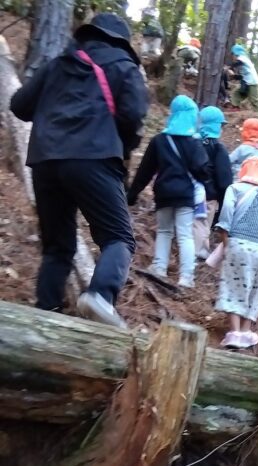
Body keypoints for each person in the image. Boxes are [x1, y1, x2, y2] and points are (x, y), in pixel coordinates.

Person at [10, 12, 149, 328]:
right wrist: (123, 148)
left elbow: (19, 105)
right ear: (121, 42)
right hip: (94, 157)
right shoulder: (125, 67)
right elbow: (133, 115)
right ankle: (100, 295)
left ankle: (46, 317)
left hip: (45, 161)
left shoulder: (58, 64)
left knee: (57, 247)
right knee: (119, 238)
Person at [126, 95, 210, 289]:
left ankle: (159, 267)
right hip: (185, 195)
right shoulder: (193, 142)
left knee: (164, 231)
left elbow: (145, 171)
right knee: (185, 235)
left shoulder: (159, 140)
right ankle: (186, 277)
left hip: (163, 193)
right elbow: (202, 171)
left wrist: (132, 194)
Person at [215, 156, 258, 349]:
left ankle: (234, 332)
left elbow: (226, 214)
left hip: (238, 244)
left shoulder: (234, 189)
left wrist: (225, 240)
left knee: (234, 286)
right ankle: (246, 331)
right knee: (255, 290)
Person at [194, 106, 233, 262]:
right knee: (203, 225)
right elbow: (225, 179)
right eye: (220, 125)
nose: (221, 129)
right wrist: (224, 200)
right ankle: (198, 255)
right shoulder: (218, 148)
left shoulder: (191, 142)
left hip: (187, 192)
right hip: (209, 196)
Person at [229, 44, 258, 113]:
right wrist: (234, 76)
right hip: (247, 83)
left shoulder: (242, 58)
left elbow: (238, 63)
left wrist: (230, 68)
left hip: (252, 83)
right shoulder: (244, 61)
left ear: (236, 53)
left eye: (233, 54)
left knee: (255, 100)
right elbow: (243, 75)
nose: (232, 56)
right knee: (236, 93)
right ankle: (236, 107)